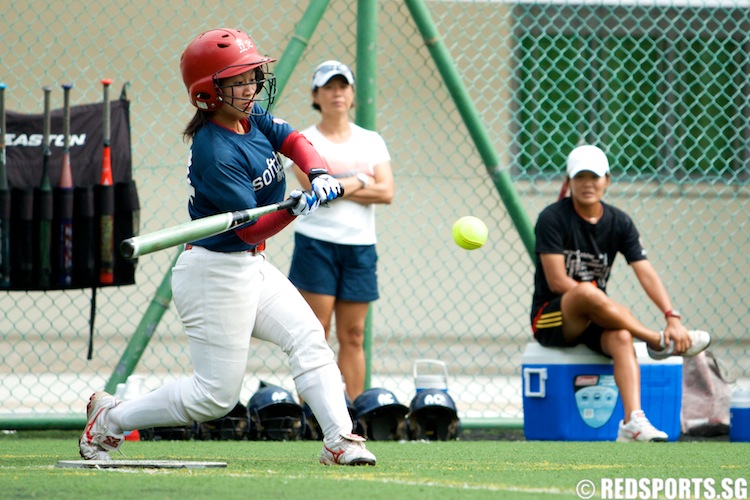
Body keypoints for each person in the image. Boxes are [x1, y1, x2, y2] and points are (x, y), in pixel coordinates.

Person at [78, 28, 376, 466]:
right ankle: (111, 418)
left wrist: (318, 174)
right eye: (237, 80)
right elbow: (248, 231)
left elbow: (293, 140)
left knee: (309, 337)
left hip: (249, 267)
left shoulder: (251, 119)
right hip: (213, 270)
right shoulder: (214, 150)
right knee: (214, 397)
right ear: (207, 93)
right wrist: (293, 211)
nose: (251, 86)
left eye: (252, 75)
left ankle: (339, 439)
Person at [530, 144, 710, 443]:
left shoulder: (619, 221)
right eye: (580, 177)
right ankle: (656, 340)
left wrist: (672, 316)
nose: (588, 184)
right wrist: (599, 300)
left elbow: (645, 271)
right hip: (552, 318)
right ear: (569, 182)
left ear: (607, 180)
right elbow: (558, 281)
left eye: (595, 176)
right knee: (588, 292)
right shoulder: (552, 218)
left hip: (594, 315)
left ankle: (632, 421)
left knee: (622, 336)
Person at [287, 61, 394, 400]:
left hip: (360, 248)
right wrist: (363, 179)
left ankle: (354, 412)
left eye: (343, 86)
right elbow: (314, 188)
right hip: (316, 244)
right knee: (316, 332)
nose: (337, 93)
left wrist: (338, 184)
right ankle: (311, 413)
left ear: (352, 95)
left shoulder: (371, 140)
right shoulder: (303, 141)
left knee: (353, 335)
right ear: (315, 95)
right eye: (329, 87)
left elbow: (387, 192)